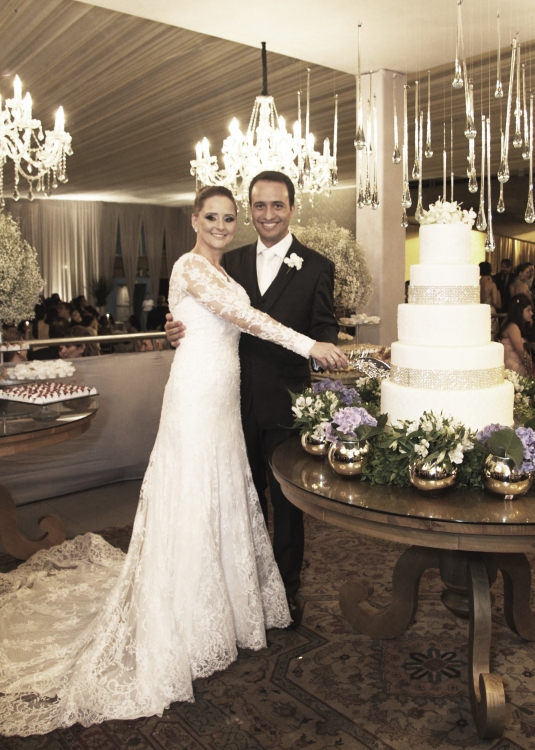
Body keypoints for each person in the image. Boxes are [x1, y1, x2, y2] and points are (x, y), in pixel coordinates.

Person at [0, 186, 346, 736]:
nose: (222, 225)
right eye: (212, 216)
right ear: (193, 219)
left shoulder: (226, 269)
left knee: (227, 491)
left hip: (227, 394)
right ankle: (184, 611)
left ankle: (228, 604)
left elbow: (205, 317)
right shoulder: (190, 265)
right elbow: (246, 317)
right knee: (192, 490)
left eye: (228, 218)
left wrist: (175, 322)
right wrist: (310, 347)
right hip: (196, 395)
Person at [165, 170, 341, 626]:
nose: (268, 214)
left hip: (284, 401)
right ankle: (241, 590)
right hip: (226, 398)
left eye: (277, 205)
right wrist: (175, 327)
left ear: (292, 209)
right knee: (237, 498)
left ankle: (285, 589)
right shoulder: (229, 260)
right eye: (259, 206)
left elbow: (324, 327)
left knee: (287, 503)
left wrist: (322, 349)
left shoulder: (316, 266)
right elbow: (223, 315)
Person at [500, 294, 533, 376]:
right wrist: (531, 369)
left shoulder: (512, 323)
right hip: (513, 367)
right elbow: (522, 353)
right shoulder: (513, 327)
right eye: (528, 310)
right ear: (519, 310)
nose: (532, 313)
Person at [479, 261, 501, 338]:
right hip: (490, 311)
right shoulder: (491, 284)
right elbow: (494, 302)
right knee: (491, 334)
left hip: (479, 310)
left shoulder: (476, 283)